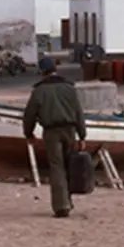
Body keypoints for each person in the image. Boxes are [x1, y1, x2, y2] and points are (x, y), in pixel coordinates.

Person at [22, 57, 86, 218]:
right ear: (56, 68)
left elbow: (29, 115)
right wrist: (82, 135)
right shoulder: (69, 88)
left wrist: (29, 134)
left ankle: (61, 205)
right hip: (70, 130)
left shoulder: (39, 91)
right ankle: (68, 201)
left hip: (51, 132)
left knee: (57, 167)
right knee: (69, 165)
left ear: (42, 72)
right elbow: (79, 113)